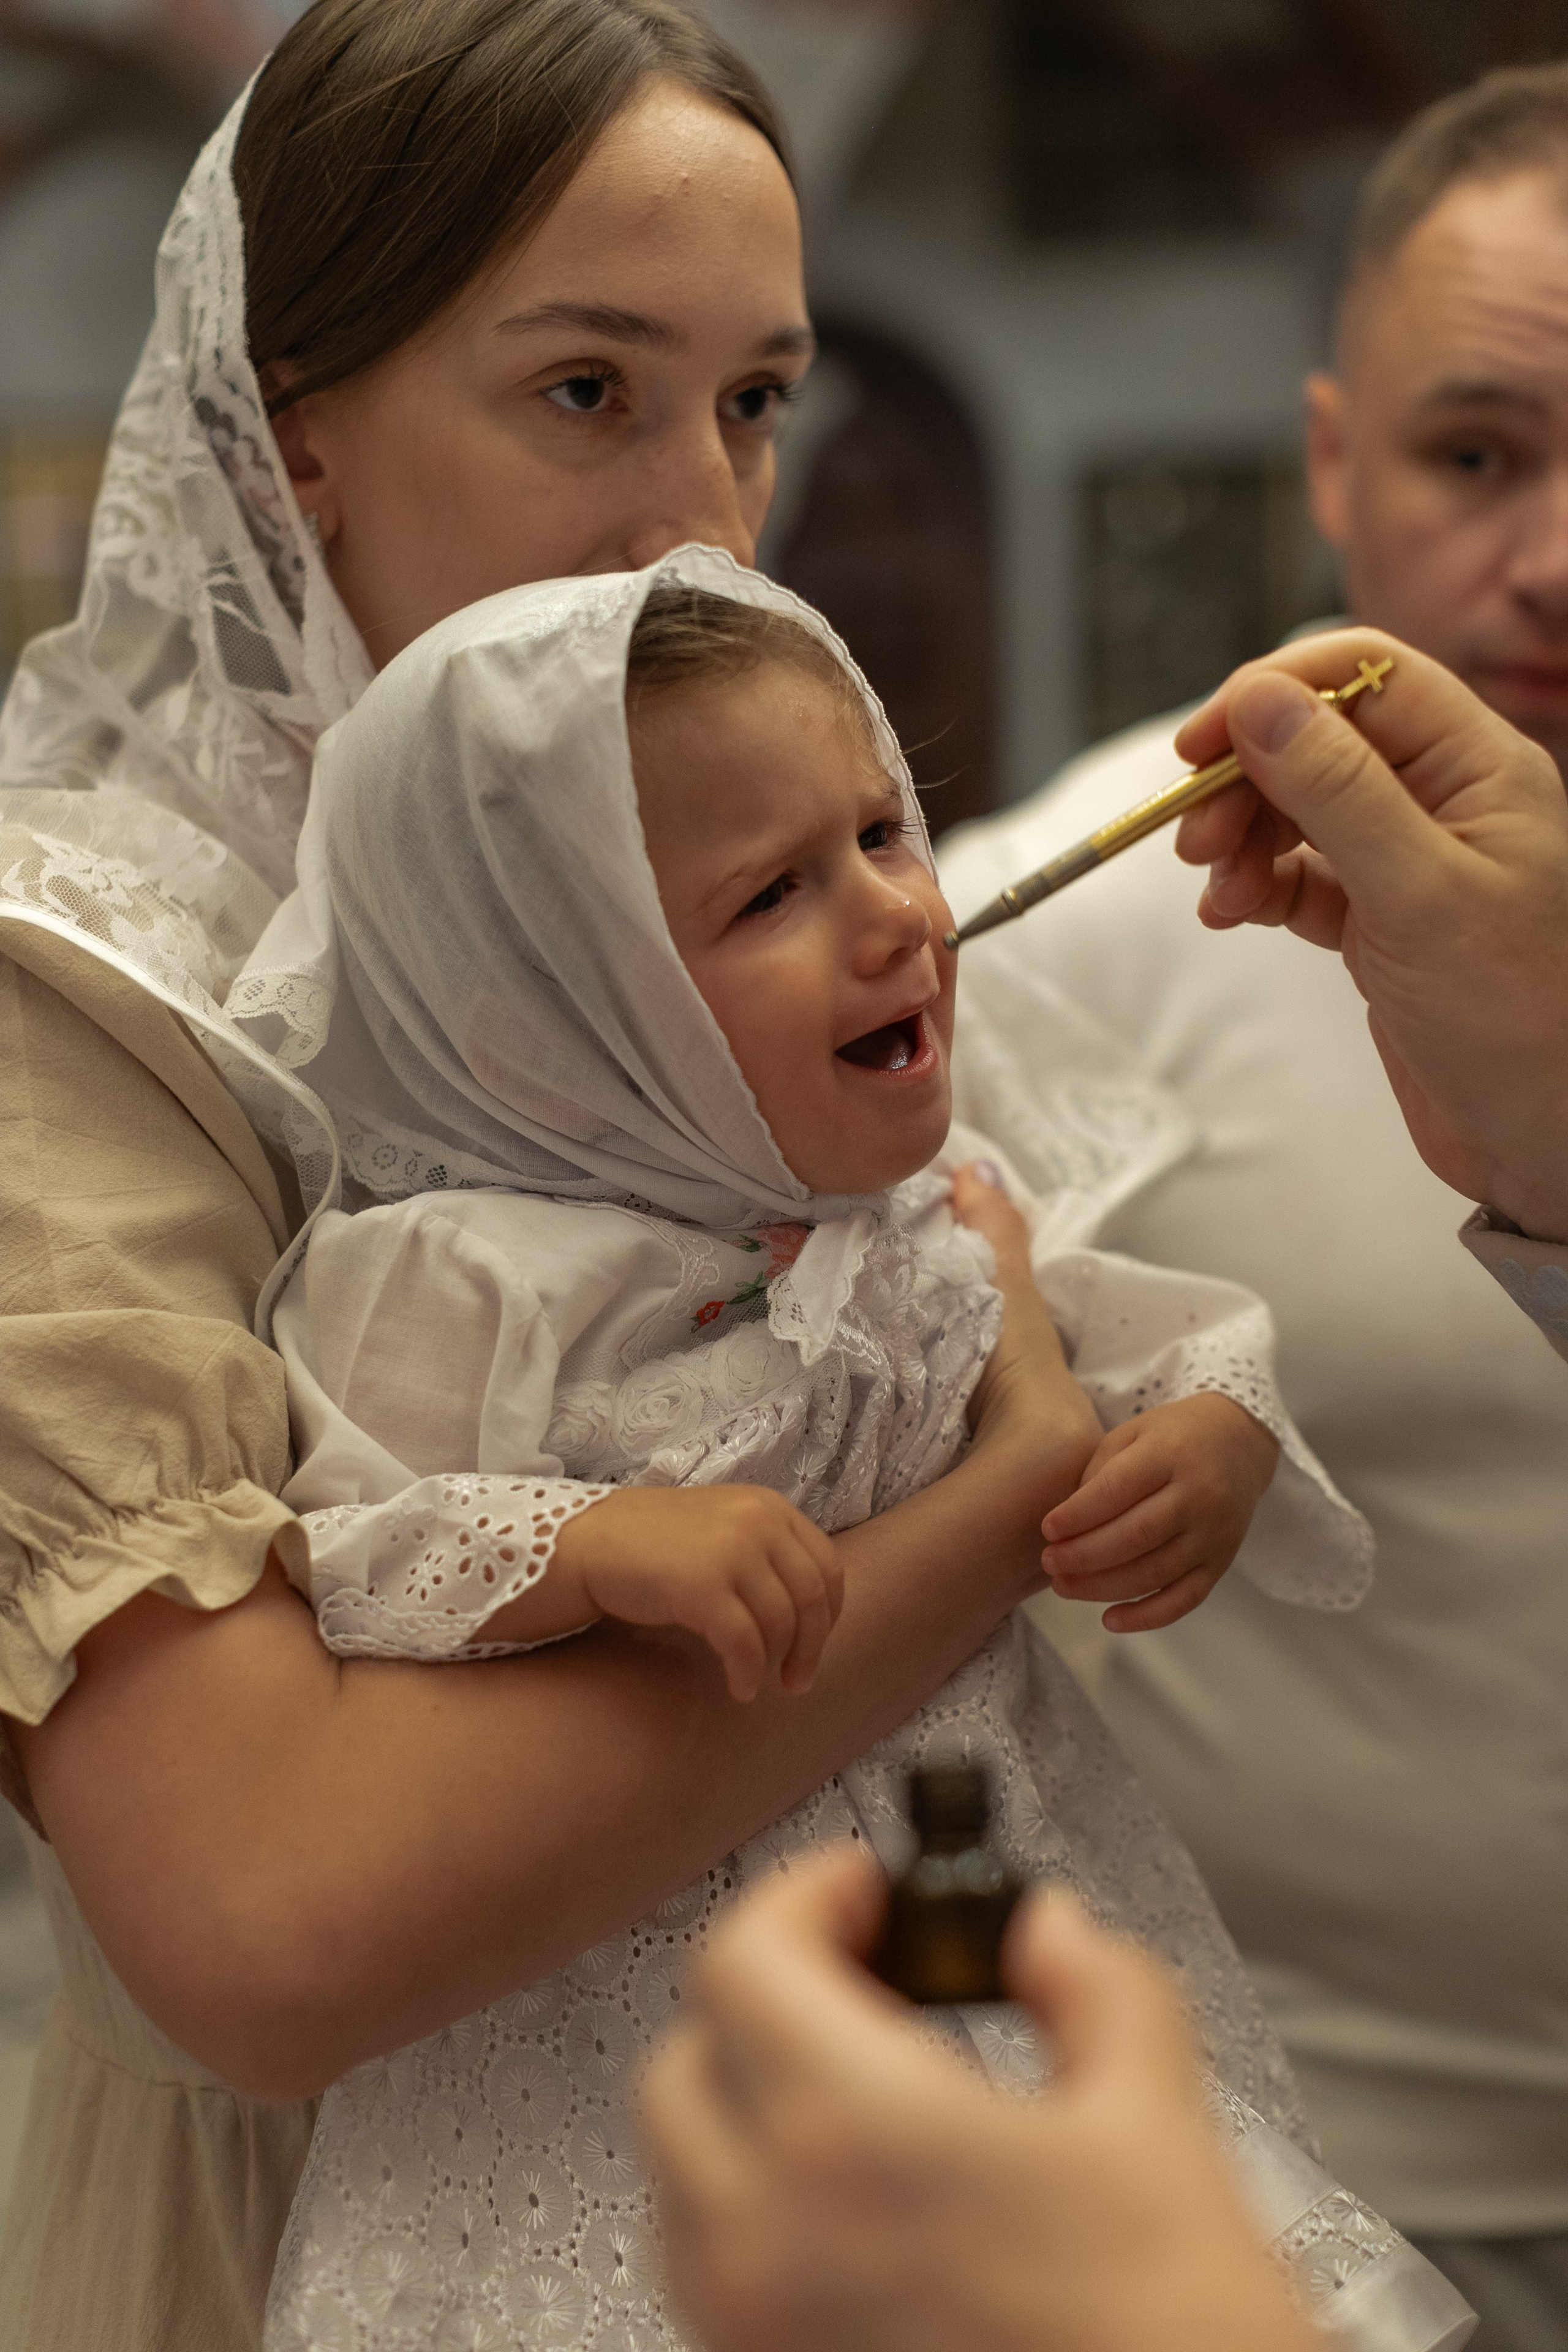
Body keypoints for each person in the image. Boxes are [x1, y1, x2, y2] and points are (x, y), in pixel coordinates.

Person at [0, 7, 1109, 2346]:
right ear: (293, 444)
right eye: (587, 390)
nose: (702, 522)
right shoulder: (88, 1000)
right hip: (301, 2239)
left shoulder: (737, 903)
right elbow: (269, 1922)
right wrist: (1000, 1503)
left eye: (758, 401)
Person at [248, 556, 1449, 2350]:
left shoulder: (930, 1224)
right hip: (610, 2052)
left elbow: (1172, 1333)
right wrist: (591, 1551)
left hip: (996, 1939)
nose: (900, 915)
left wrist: (1213, 1438)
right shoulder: (462, 1277)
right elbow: (343, 1552)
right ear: (551, 1020)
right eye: (772, 896)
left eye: (886, 829)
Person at [940, 66, 1568, 2345]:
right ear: (1331, 460)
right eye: (1474, 452)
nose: (1556, 553)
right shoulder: (1077, 914)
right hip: (1270, 2179)